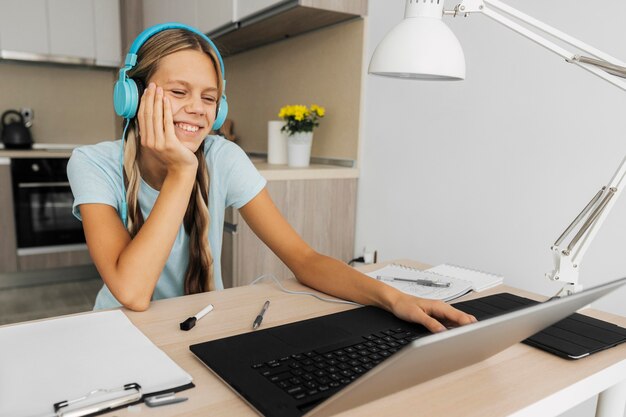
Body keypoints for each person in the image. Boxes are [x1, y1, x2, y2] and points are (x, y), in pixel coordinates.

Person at [67, 23, 475, 333]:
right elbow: (132, 293)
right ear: (132, 97)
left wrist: (394, 298)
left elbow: (304, 259)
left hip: (197, 327)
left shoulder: (223, 158)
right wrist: (182, 171)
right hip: (118, 330)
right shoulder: (93, 164)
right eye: (178, 92)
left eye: (209, 98)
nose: (197, 108)